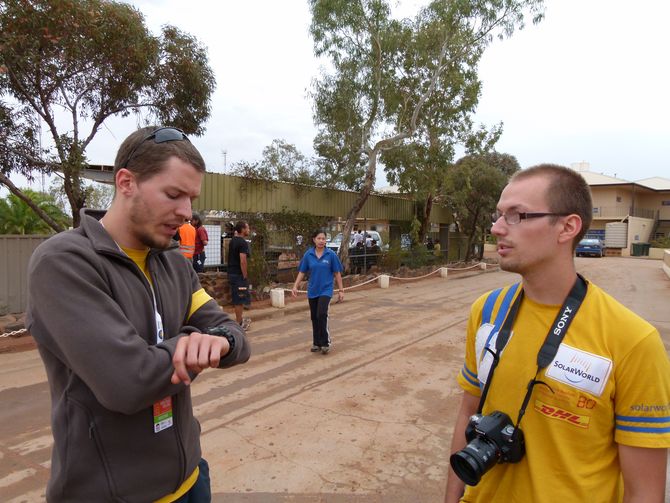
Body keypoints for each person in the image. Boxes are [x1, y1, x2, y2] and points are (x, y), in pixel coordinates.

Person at [26, 126, 251, 503]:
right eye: (173, 194)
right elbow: (128, 383)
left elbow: (232, 334)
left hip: (192, 481)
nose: (185, 213)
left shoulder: (173, 265)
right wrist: (190, 344)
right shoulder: (64, 263)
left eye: (191, 198)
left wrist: (220, 341)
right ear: (126, 182)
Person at [444, 164, 670, 503]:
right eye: (498, 215)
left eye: (516, 215)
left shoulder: (633, 341)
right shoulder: (487, 311)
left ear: (567, 227)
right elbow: (468, 411)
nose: (496, 228)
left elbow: (645, 491)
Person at [291, 229, 344, 354]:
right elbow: (302, 272)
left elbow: (337, 273)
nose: (321, 241)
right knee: (314, 317)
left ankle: (325, 342)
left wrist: (341, 290)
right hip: (313, 290)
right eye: (319, 238)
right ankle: (316, 343)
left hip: (326, 290)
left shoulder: (331, 255)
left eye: (323, 239)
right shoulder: (308, 255)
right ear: (314, 240)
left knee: (321, 313)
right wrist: (295, 286)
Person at [228, 221, 252, 331]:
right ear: (242, 229)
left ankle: (240, 320)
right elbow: (243, 260)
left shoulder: (233, 240)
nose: (249, 230)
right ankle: (239, 323)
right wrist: (245, 275)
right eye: (247, 228)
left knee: (239, 297)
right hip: (238, 275)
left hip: (232, 273)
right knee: (239, 298)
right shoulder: (242, 243)